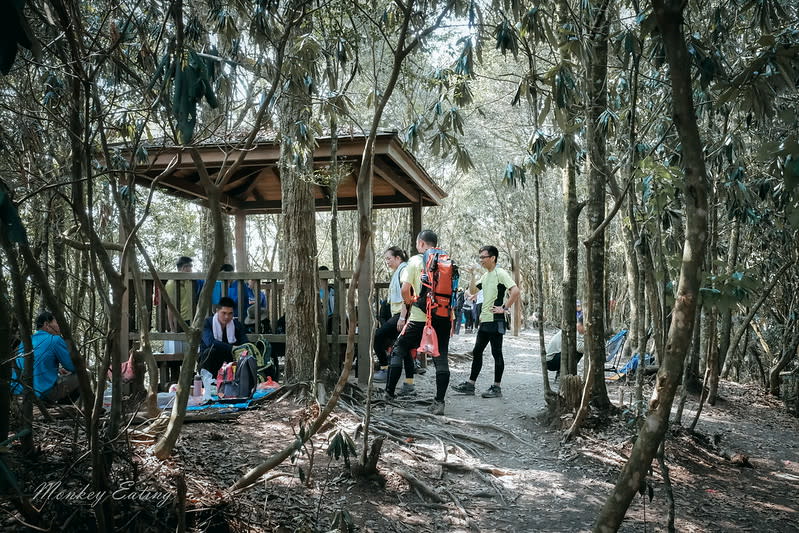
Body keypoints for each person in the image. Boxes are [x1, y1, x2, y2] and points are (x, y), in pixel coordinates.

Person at [384, 230, 453, 415]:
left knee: (399, 349)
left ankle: (389, 394)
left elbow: (405, 289)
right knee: (441, 357)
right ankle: (439, 403)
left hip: (419, 318)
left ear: (422, 244)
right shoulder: (446, 260)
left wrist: (410, 303)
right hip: (442, 317)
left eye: (417, 243)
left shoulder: (415, 261)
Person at [452, 246, 520, 399]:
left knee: (497, 353)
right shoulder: (486, 275)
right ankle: (470, 385)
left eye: (483, 257)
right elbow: (473, 291)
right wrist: (473, 275)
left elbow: (515, 291)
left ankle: (496, 387)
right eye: (480, 257)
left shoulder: (500, 273)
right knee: (477, 352)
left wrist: (504, 308)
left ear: (493, 258)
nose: (481, 260)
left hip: (496, 321)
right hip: (485, 320)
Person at [11, 311, 79, 403]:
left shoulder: (26, 341)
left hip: (17, 393)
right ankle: (62, 408)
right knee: (83, 374)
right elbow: (73, 367)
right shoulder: (55, 340)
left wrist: (57, 369)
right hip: (40, 394)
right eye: (57, 322)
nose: (60, 326)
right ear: (47, 324)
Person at [373, 247, 415, 393]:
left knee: (378, 336)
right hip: (398, 314)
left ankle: (384, 369)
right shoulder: (400, 270)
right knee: (404, 348)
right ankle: (409, 383)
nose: (387, 262)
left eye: (389, 258)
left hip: (401, 314)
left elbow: (407, 293)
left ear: (398, 258)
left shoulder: (404, 270)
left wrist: (403, 317)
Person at [198, 297, 248, 401]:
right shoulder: (207, 323)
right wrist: (233, 348)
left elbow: (244, 344)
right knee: (211, 351)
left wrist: (241, 349)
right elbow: (210, 342)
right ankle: (208, 386)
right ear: (217, 311)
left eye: (230, 314)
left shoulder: (237, 325)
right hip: (209, 361)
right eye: (223, 313)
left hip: (228, 362)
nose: (227, 317)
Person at [164, 256, 196, 332]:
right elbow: (170, 306)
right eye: (190, 267)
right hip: (180, 320)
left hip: (192, 318)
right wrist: (172, 327)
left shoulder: (189, 281)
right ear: (184, 268)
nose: (191, 270)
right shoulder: (171, 284)